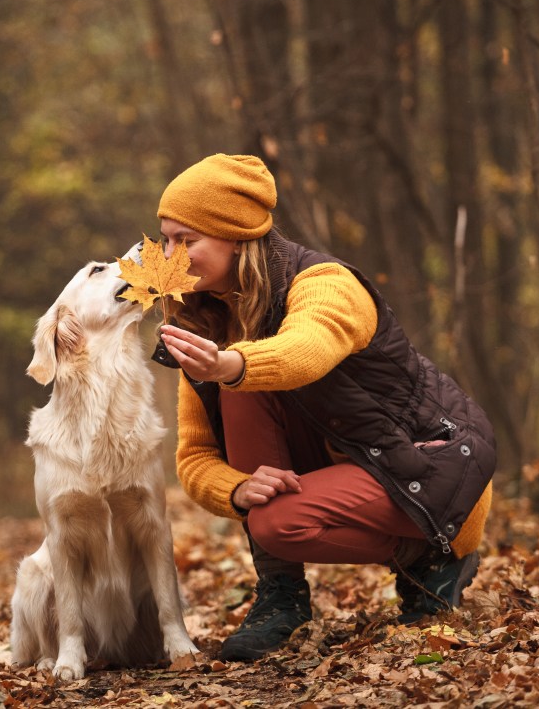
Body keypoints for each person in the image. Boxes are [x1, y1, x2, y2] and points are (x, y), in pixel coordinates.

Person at [153, 153, 496, 662]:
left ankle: (431, 559)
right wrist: (239, 488)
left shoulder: (324, 282)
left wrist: (229, 364)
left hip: (429, 465)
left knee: (277, 521)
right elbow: (195, 456)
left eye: (187, 240)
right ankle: (282, 600)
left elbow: (305, 350)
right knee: (242, 420)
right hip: (346, 466)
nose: (170, 255)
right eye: (164, 239)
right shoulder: (205, 323)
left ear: (236, 235)